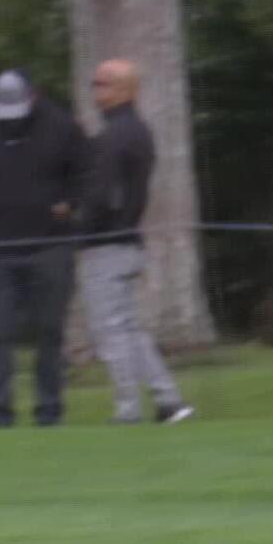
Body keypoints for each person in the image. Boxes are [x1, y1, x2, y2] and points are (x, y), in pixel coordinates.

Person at [0, 69, 88, 428]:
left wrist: (69, 202)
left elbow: (84, 174)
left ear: (34, 95)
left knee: (48, 331)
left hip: (50, 244)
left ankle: (49, 410)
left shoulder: (63, 127)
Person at [78, 59, 195, 424]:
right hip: (127, 243)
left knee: (111, 333)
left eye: (103, 84)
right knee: (129, 329)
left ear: (124, 89)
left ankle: (127, 409)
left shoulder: (115, 136)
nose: (95, 90)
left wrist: (79, 230)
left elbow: (101, 194)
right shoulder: (136, 130)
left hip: (108, 245)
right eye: (95, 83)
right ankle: (168, 399)